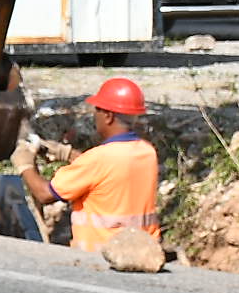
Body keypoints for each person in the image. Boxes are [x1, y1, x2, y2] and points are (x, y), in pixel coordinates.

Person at [15, 77, 161, 256]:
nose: (94, 116)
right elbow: (109, 171)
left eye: (97, 110)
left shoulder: (98, 159)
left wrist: (25, 165)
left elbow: (44, 194)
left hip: (100, 256)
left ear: (108, 116)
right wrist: (67, 154)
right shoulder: (147, 152)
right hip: (142, 252)